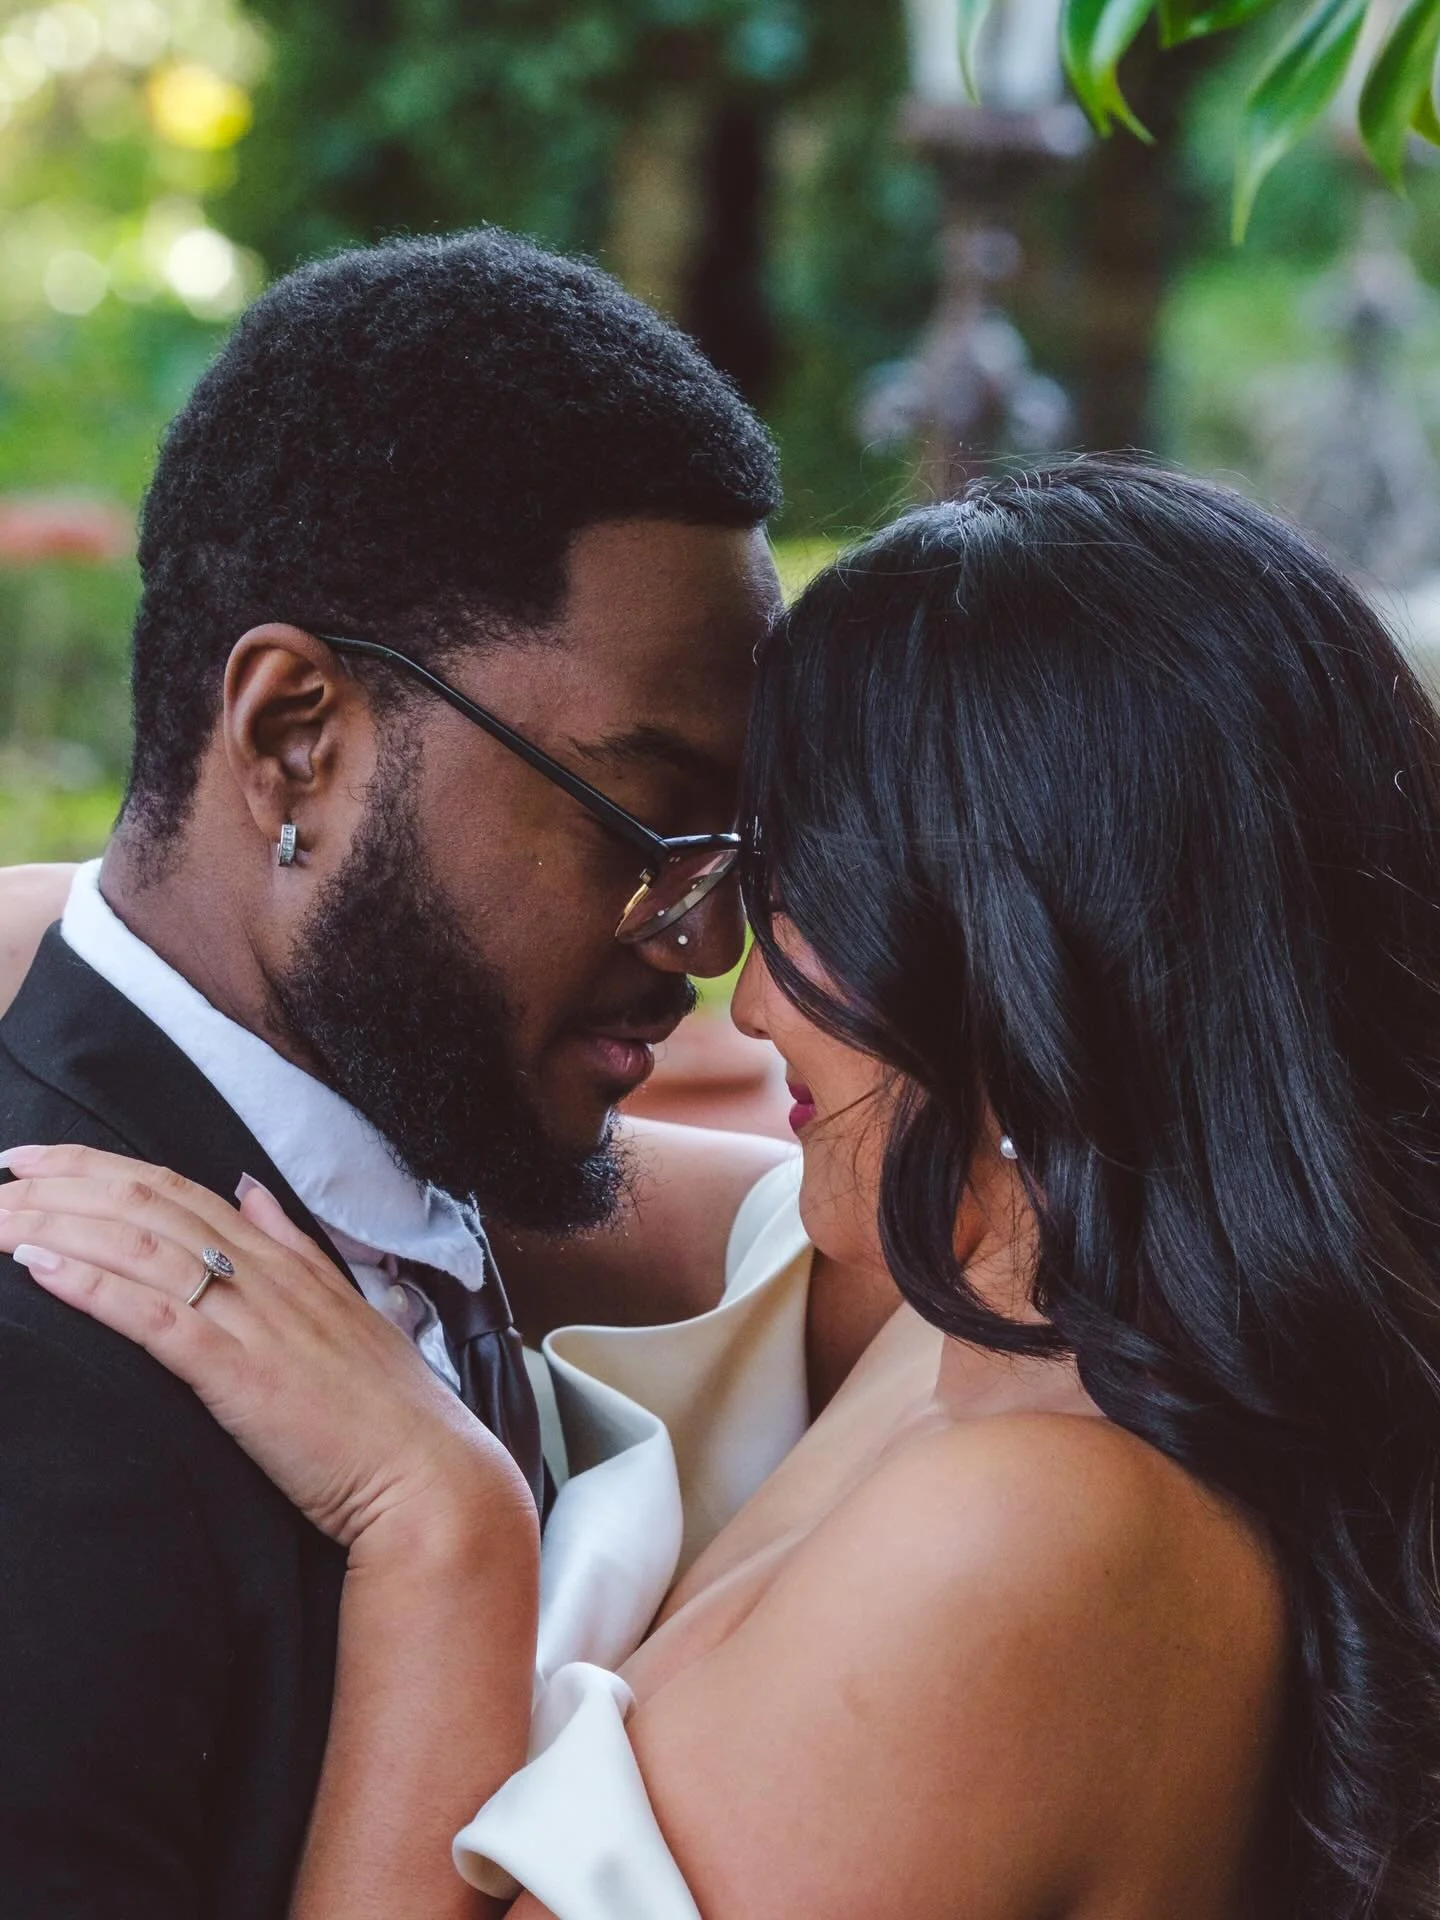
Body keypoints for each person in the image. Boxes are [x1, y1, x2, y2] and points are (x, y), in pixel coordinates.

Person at [7, 460, 1440, 1920]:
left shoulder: (1026, 1531)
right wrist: (179, 897)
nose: (740, 999)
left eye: (791, 887)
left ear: (1019, 934)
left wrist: (439, 1532)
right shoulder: (978, 1329)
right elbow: (335, 1095)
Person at [0, 226, 797, 1918]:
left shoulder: (406, 1133)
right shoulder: (39, 1368)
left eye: (734, 848)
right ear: (298, 732)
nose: (704, 940)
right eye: (644, 821)